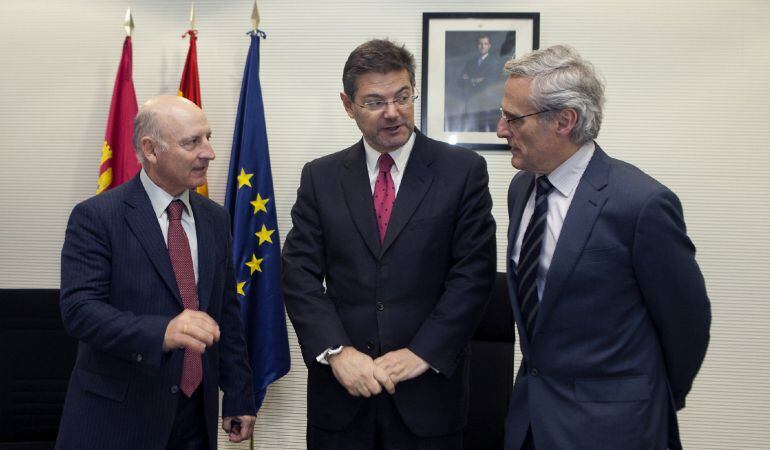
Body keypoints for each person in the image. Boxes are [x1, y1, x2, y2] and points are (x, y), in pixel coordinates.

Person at [281, 39, 496, 449]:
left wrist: (422, 353)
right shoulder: (321, 177)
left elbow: (474, 274)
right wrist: (337, 351)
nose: (393, 112)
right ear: (348, 104)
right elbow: (299, 273)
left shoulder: (462, 172)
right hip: (341, 400)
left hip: (428, 398)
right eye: (375, 101)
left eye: (402, 96)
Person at [498, 45, 711, 450]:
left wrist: (649, 397)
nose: (500, 129)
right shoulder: (522, 187)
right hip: (531, 420)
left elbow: (688, 322)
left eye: (512, 117)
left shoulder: (640, 204)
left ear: (565, 120)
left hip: (613, 429)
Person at [56, 95, 256, 450]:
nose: (209, 152)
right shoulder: (97, 217)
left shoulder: (214, 218)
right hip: (117, 421)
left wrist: (239, 392)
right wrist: (163, 331)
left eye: (208, 137)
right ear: (150, 150)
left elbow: (225, 310)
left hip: (196, 419)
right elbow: (80, 312)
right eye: (192, 142)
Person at [457, 34, 502, 132]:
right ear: (477, 45)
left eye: (485, 44)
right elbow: (460, 82)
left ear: (489, 46)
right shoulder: (470, 63)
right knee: (470, 130)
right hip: (470, 103)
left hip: (486, 105)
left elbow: (489, 83)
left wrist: (469, 79)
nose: (482, 46)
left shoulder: (494, 63)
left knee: (483, 130)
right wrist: (477, 80)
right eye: (480, 44)